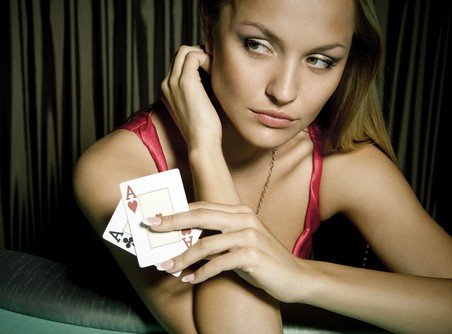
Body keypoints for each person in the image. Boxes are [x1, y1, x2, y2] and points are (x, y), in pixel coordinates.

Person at [73, 0, 452, 332]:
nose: (284, 92)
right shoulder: (123, 171)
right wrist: (205, 149)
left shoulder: (342, 162)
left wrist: (298, 277)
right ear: (210, 26)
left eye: (320, 60)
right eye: (257, 45)